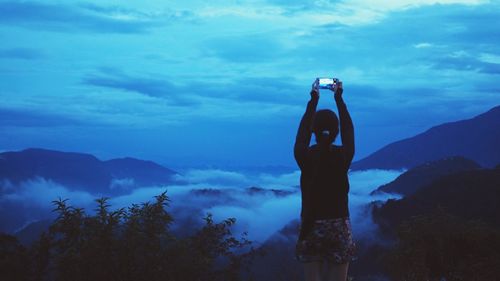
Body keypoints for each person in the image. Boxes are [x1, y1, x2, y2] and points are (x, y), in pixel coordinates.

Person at [294, 79, 356, 281]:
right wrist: (339, 98)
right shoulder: (343, 155)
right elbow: (349, 130)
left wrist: (313, 100)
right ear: (336, 131)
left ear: (314, 131)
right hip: (339, 225)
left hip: (311, 225)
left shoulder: (305, 156)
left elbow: (302, 135)